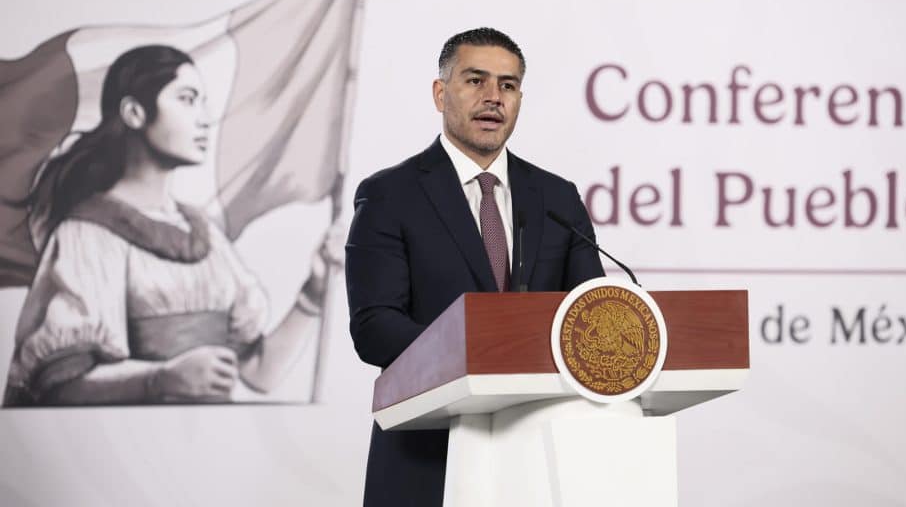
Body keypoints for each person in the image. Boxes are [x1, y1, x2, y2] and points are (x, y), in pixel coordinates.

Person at [345, 28, 605, 506]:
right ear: (440, 93)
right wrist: (483, 351)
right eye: (475, 81)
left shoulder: (556, 197)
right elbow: (374, 327)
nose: (493, 97)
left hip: (539, 456)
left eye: (507, 85)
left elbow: (592, 319)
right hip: (428, 453)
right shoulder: (390, 195)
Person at [4, 44, 333, 406]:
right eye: (188, 99)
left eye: (203, 101)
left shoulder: (205, 235)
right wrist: (160, 380)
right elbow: (60, 386)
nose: (205, 118)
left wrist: (313, 294)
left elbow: (259, 372)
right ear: (134, 113)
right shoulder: (87, 234)